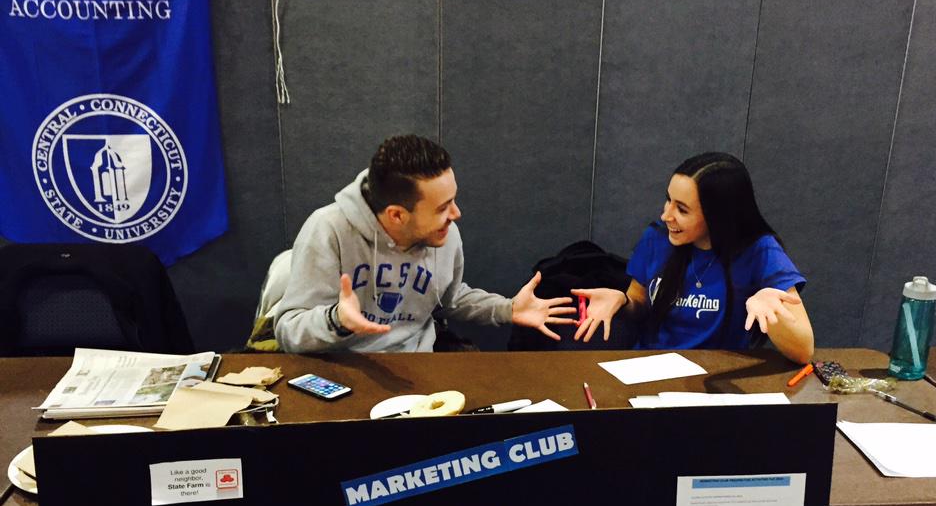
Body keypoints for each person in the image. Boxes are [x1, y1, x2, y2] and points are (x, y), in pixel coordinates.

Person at [275, 135, 576, 352]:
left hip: (418, 369)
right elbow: (289, 331)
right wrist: (336, 320)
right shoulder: (328, 229)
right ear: (397, 215)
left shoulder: (443, 234)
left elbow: (449, 299)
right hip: (341, 370)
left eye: (453, 201)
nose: (455, 215)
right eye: (442, 208)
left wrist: (507, 309)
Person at [572, 153, 813, 363]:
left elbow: (804, 351)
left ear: (718, 215)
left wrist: (773, 316)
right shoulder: (657, 237)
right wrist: (622, 301)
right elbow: (639, 301)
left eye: (682, 209)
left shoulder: (759, 250)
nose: (666, 215)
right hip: (647, 370)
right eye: (668, 200)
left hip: (713, 381)